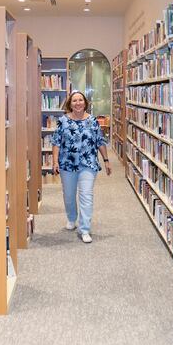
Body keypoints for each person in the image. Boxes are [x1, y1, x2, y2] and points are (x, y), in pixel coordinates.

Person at [51, 90, 112, 243]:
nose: (78, 103)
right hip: (67, 164)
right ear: (70, 104)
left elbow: (100, 141)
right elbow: (56, 142)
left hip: (88, 163)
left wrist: (106, 160)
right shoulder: (63, 121)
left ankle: (84, 229)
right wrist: (54, 161)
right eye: (74, 101)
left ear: (85, 103)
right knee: (69, 195)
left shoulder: (93, 121)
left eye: (80, 100)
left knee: (86, 195)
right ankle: (72, 218)